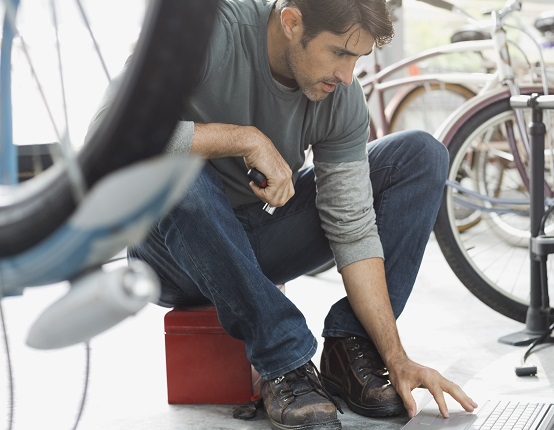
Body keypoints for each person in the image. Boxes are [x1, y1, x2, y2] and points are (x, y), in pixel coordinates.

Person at [104, 0, 477, 428]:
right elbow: (108, 135)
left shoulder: (340, 95)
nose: (348, 75)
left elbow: (352, 228)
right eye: (340, 52)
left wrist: (396, 356)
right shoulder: (206, 31)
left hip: (258, 234)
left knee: (419, 155)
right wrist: (244, 140)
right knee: (175, 173)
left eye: (358, 58)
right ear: (291, 21)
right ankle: (285, 361)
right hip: (172, 254)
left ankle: (351, 350)